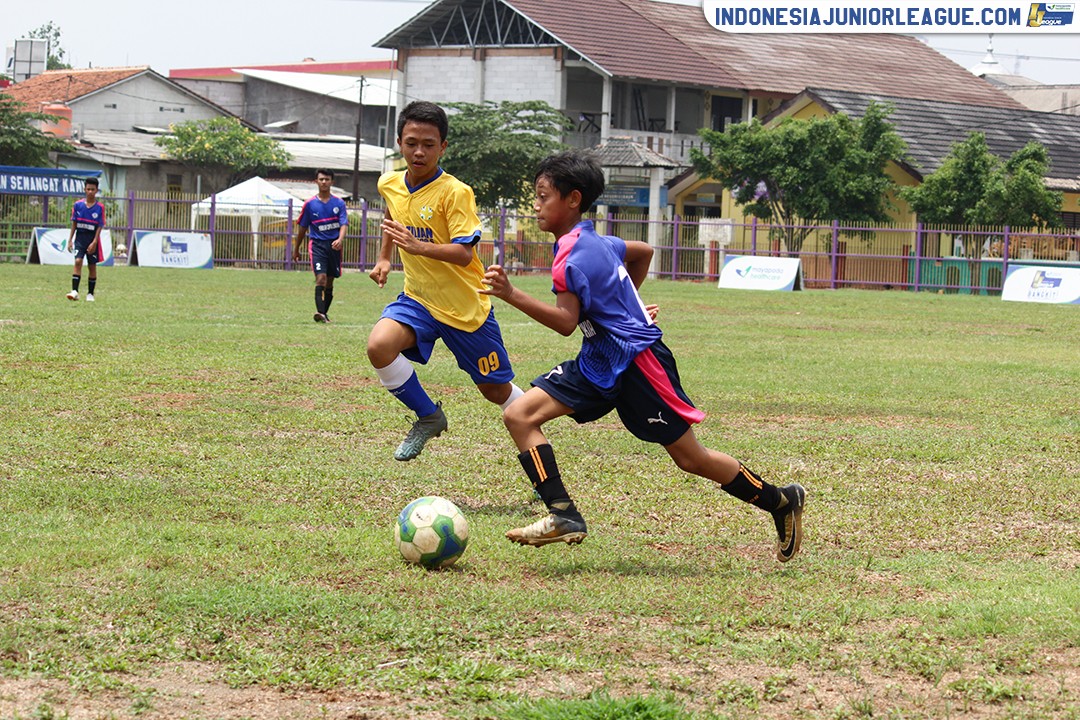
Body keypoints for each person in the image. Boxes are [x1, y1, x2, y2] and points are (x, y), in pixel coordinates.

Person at [481, 150, 806, 562]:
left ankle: (781, 500)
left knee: (691, 458)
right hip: (600, 359)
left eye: (543, 196)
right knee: (519, 415)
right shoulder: (597, 240)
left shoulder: (573, 256)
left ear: (573, 199)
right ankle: (563, 514)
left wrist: (512, 294)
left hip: (639, 364)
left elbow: (565, 322)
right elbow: (644, 252)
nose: (536, 205)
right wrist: (626, 307)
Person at [367, 100, 524, 462]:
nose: (419, 152)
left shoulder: (455, 192)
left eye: (429, 144)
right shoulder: (389, 182)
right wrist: (385, 258)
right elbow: (393, 215)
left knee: (495, 391)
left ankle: (534, 432)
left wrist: (418, 246)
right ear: (399, 142)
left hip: (465, 308)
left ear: (443, 147)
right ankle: (429, 416)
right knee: (379, 346)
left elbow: (464, 253)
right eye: (411, 143)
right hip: (419, 299)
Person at [293, 169, 348, 323]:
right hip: (317, 246)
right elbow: (302, 229)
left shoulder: (339, 203)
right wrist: (296, 249)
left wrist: (340, 239)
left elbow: (344, 224)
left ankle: (323, 313)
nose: (324, 182)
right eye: (321, 179)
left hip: (334, 247)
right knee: (321, 278)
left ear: (332, 182)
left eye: (327, 179)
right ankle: (320, 313)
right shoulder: (309, 204)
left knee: (330, 281)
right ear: (316, 181)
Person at [66, 177, 106, 302]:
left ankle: (90, 293)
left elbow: (100, 226)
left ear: (96, 190)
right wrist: (70, 240)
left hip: (92, 240)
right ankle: (75, 291)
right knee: (78, 261)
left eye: (92, 189)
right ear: (85, 189)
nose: (90, 192)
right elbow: (74, 223)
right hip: (80, 238)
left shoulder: (100, 207)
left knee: (92, 266)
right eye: (88, 189)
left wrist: (94, 242)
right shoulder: (78, 205)